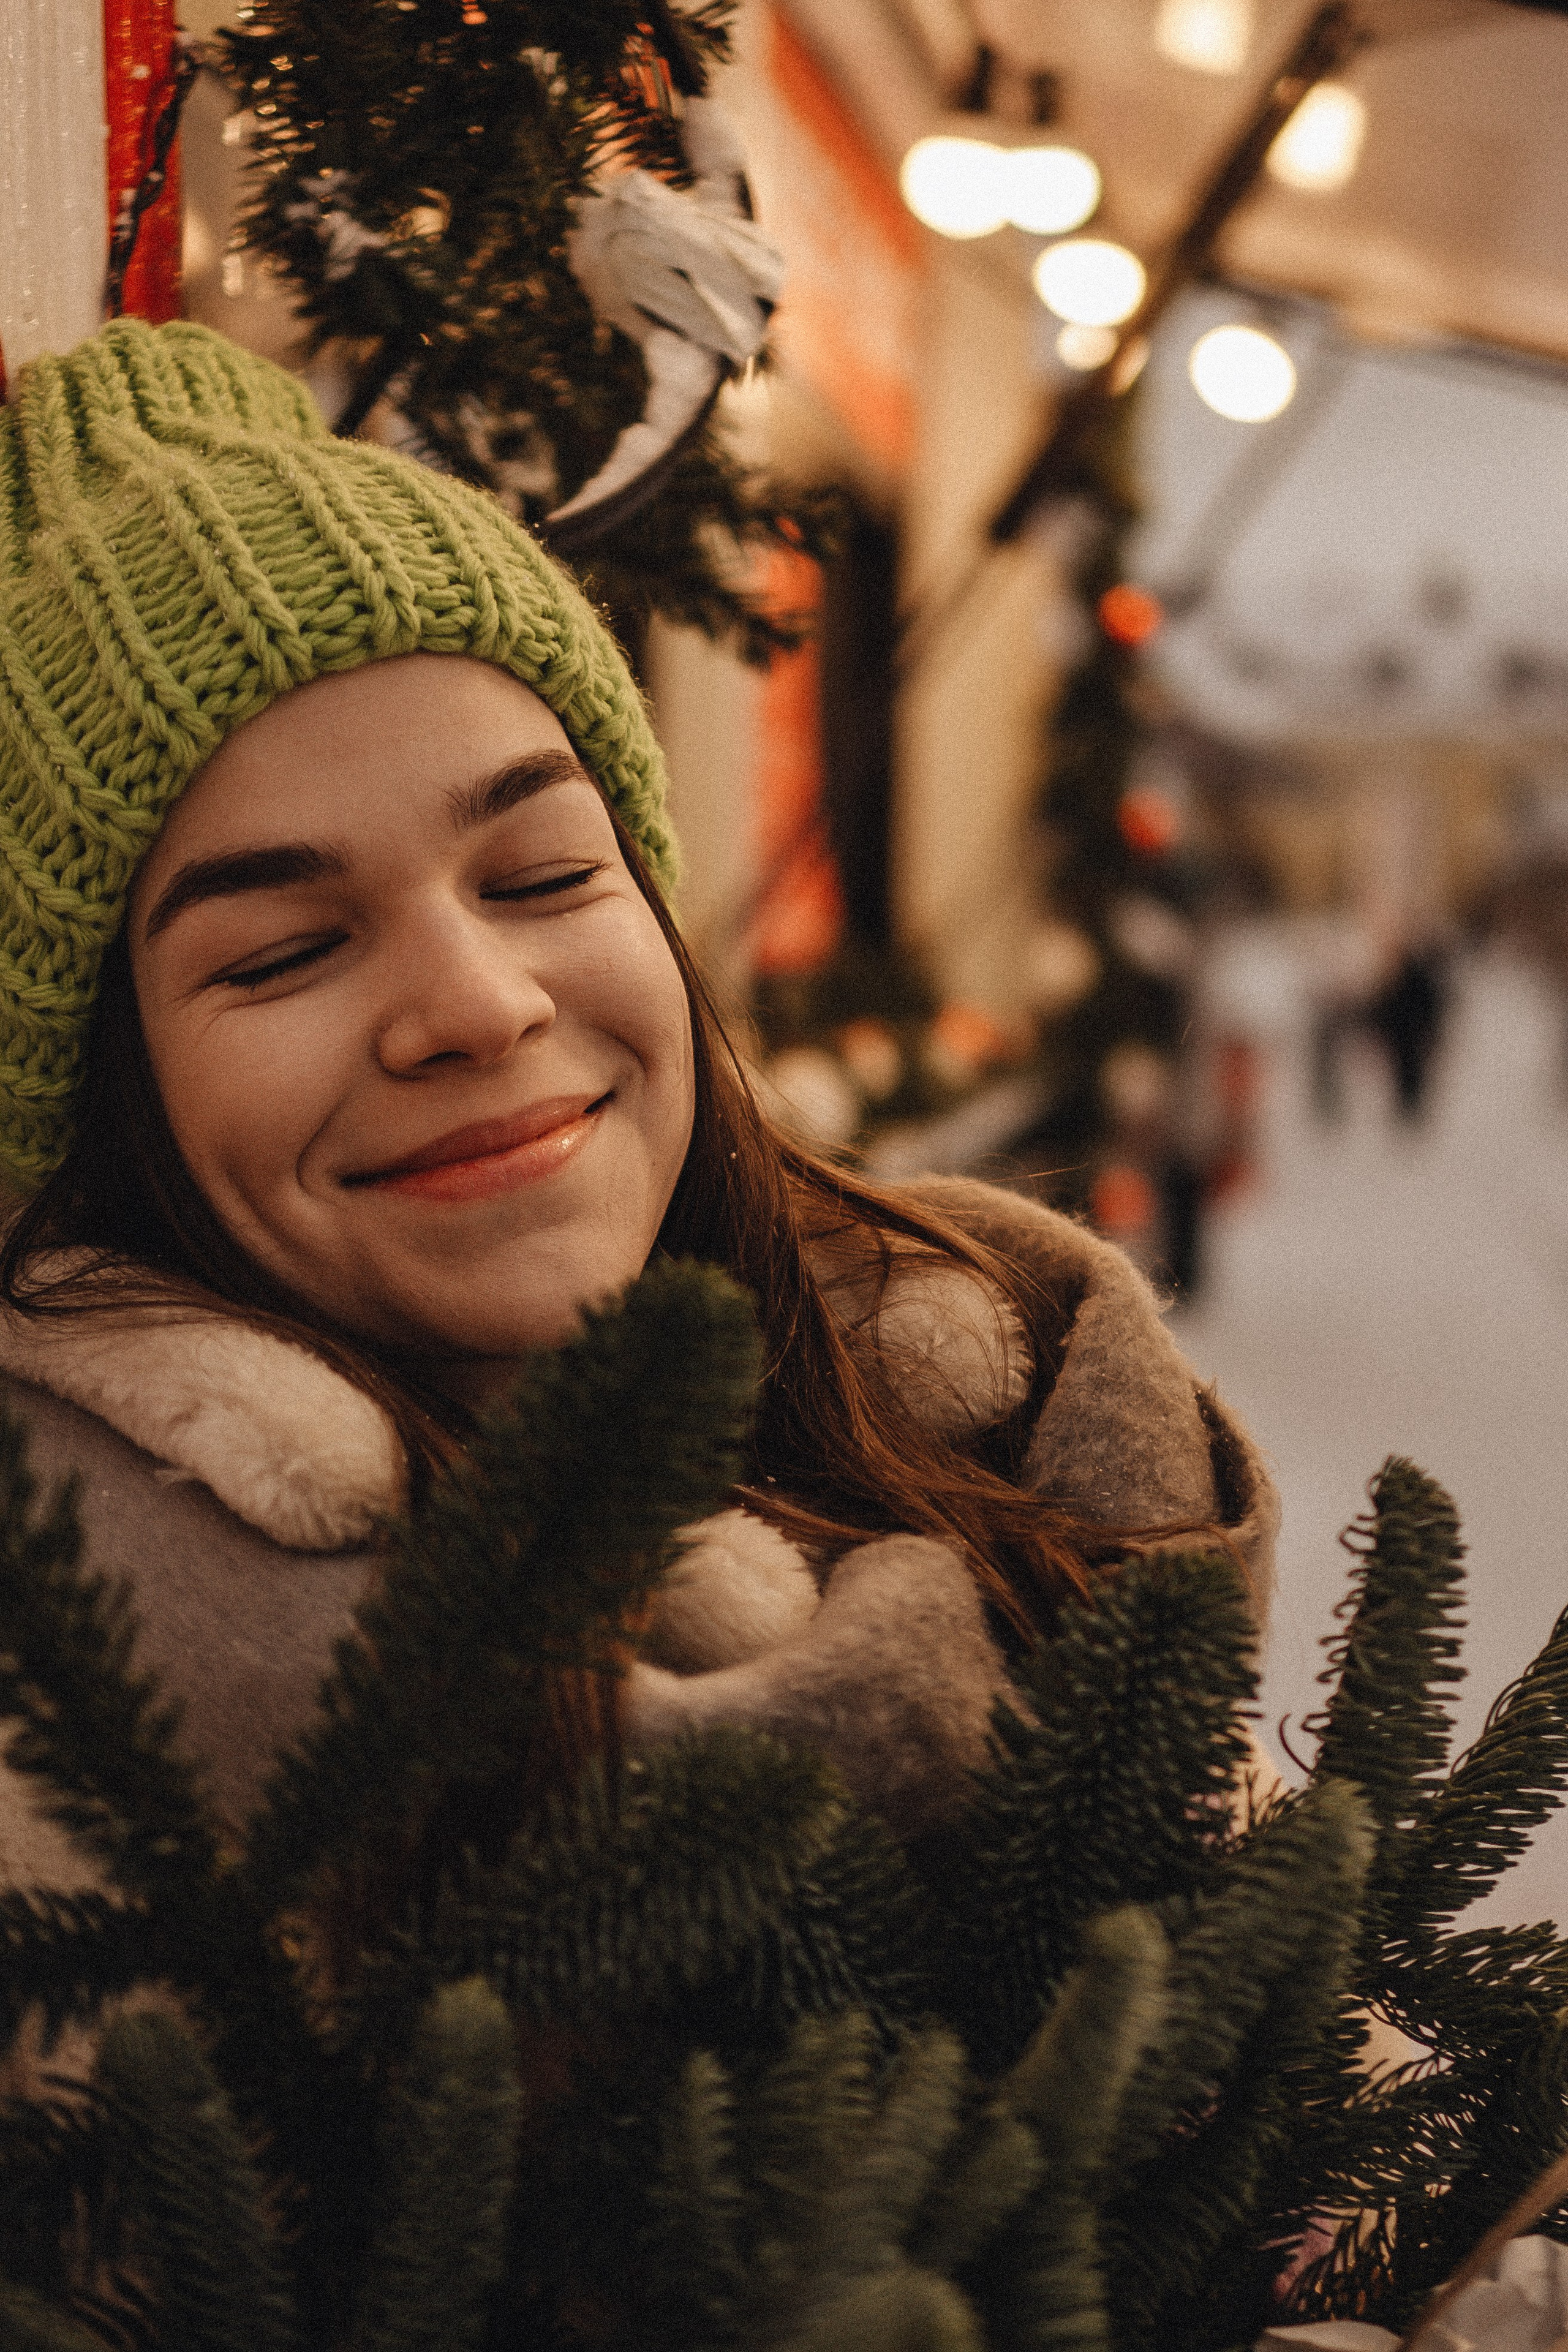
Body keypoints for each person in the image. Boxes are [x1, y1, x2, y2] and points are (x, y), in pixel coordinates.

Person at [0, 320, 1276, 1909]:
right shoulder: (81, 1822)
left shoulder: (1037, 1433)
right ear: (102, 1097)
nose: (481, 1006)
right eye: (282, 953)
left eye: (543, 875)